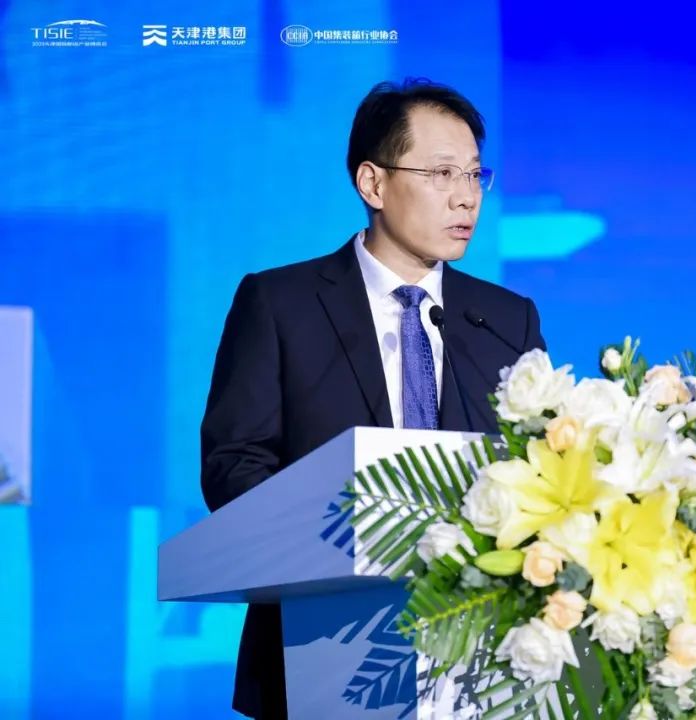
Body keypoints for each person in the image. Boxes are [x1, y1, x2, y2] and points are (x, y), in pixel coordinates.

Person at [200, 78, 546, 719]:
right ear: (373, 183)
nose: (467, 196)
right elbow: (234, 464)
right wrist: (351, 535)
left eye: (475, 174)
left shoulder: (506, 319)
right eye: (442, 173)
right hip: (318, 642)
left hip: (482, 655)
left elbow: (541, 467)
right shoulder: (281, 304)